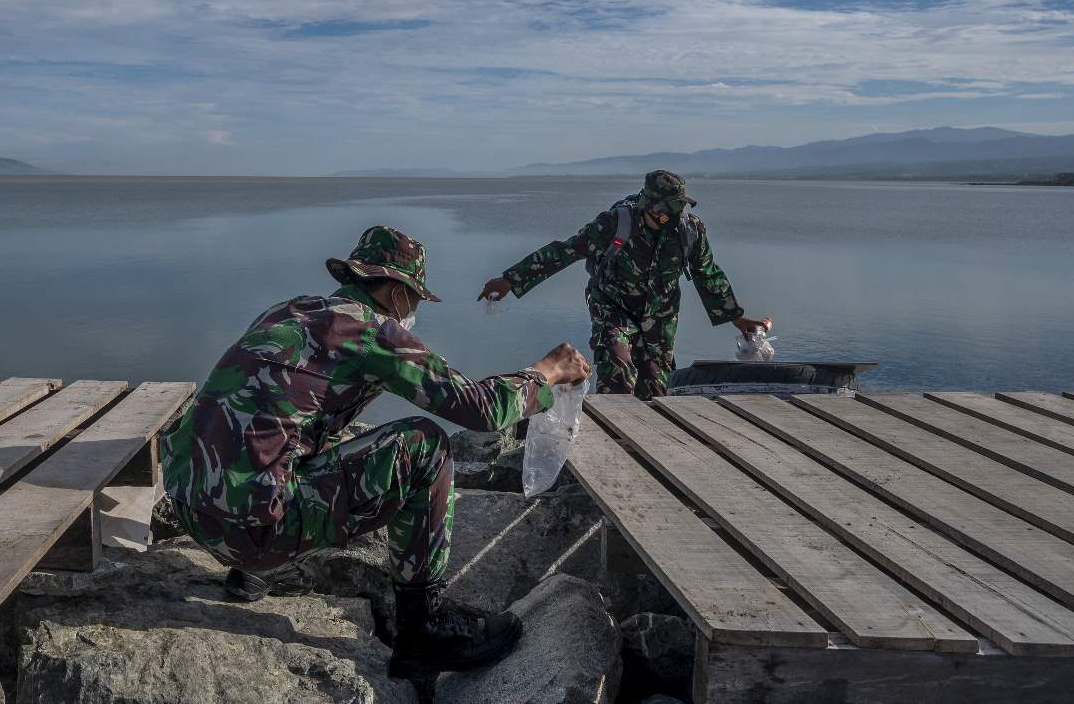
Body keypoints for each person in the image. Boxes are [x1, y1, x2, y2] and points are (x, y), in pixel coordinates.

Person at [159, 225, 592, 680]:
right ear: (395, 291)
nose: (414, 311)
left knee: (298, 421)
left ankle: (251, 572)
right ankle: (423, 628)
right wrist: (545, 373)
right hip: (251, 534)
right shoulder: (369, 332)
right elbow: (481, 409)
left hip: (191, 508)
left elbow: (273, 417)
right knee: (424, 444)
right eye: (415, 299)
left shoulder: (290, 310)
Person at [478, 170, 768, 399]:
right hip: (612, 305)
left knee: (656, 382)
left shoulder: (690, 230)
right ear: (650, 209)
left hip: (660, 313)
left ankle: (651, 444)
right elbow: (565, 251)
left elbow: (706, 272)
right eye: (668, 211)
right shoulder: (614, 223)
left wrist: (736, 317)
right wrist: (510, 279)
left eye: (678, 208)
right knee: (617, 365)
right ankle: (612, 440)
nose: (674, 216)